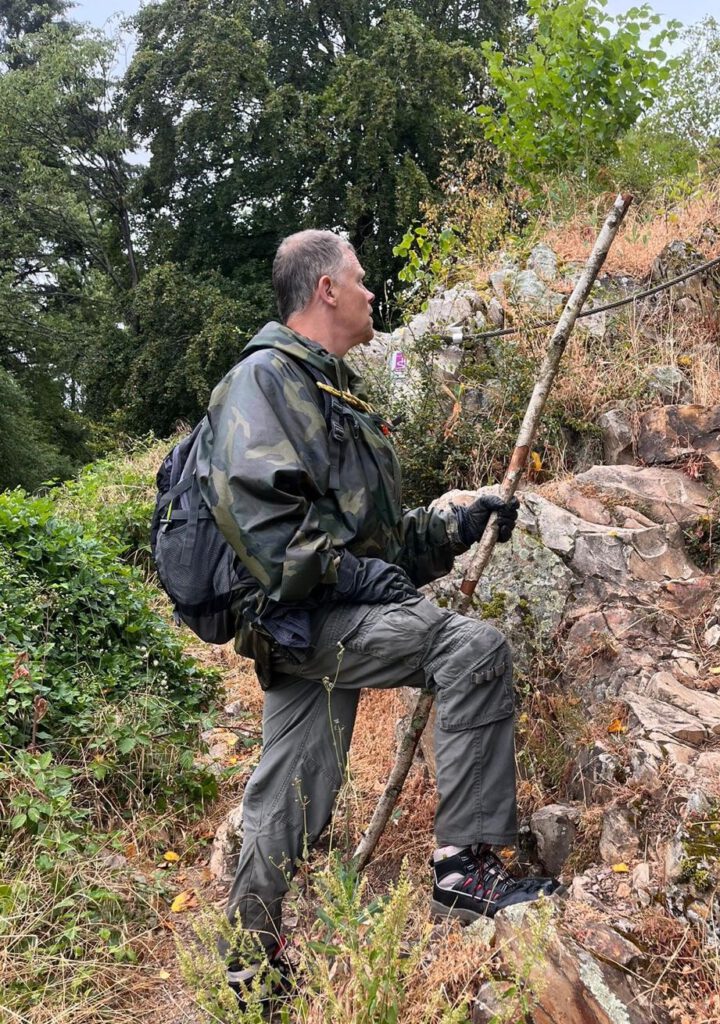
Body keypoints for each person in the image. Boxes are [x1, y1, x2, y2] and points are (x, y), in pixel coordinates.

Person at [196, 229, 559, 996]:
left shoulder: (328, 390)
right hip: (307, 618)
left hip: (310, 622)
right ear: (325, 289)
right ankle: (465, 867)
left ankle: (248, 964)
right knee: (473, 650)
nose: (370, 294)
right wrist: (361, 578)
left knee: (290, 791)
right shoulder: (263, 381)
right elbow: (266, 527)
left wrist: (455, 526)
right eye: (359, 280)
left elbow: (380, 543)